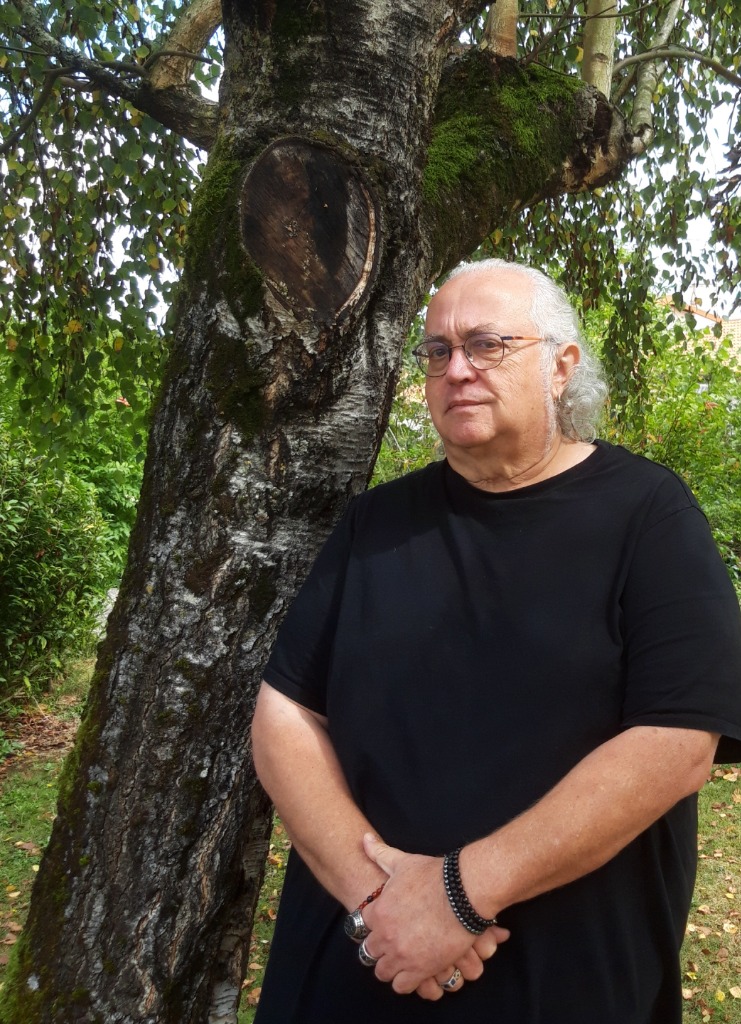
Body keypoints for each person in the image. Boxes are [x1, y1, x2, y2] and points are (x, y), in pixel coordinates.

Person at [250, 259, 741, 1024]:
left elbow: (677, 742)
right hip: (360, 960)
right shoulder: (374, 525)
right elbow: (285, 713)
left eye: (487, 344)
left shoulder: (648, 516)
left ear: (561, 366)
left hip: (564, 980)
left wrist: (456, 895)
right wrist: (382, 901)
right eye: (438, 351)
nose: (457, 370)